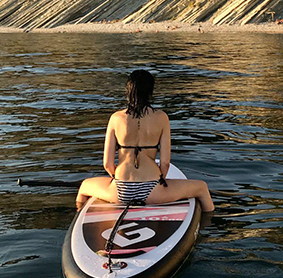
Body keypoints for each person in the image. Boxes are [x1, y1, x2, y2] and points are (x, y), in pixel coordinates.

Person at [76, 69, 214, 211]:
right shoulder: (161, 118)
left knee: (84, 186)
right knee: (202, 188)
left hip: (120, 189)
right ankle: (206, 225)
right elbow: (165, 163)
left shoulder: (116, 118)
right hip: (153, 189)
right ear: (150, 91)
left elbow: (107, 164)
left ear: (128, 90)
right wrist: (161, 182)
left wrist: (116, 178)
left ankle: (79, 214)